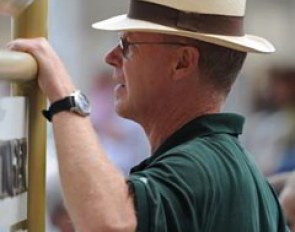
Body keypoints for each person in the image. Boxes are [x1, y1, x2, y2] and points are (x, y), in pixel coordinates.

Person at [6, 0, 289, 231]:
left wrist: (64, 96)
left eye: (127, 44)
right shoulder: (216, 160)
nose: (111, 57)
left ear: (182, 62)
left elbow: (110, 224)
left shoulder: (199, 163)